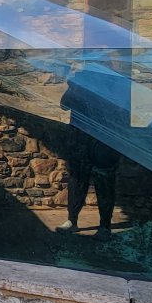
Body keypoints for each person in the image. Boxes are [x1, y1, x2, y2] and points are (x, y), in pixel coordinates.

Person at [54, 63, 124, 239]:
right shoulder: (79, 84)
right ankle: (72, 220)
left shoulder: (112, 85)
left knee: (104, 181)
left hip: (103, 139)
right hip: (80, 138)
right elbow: (64, 104)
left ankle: (105, 227)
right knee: (77, 179)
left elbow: (116, 110)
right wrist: (74, 86)